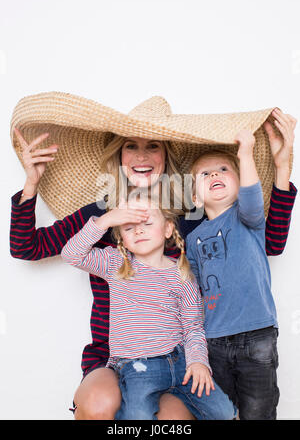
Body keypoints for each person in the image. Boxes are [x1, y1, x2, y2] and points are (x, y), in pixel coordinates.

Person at [10, 108, 297, 420]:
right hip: (115, 355)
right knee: (98, 405)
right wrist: (31, 185)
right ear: (118, 156)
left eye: (152, 146)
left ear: (166, 155)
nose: (141, 156)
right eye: (130, 146)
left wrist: (282, 171)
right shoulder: (103, 214)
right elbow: (27, 247)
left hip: (179, 357)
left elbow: (267, 244)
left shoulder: (192, 216)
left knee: (176, 419)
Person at [60, 191, 236, 420]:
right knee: (138, 417)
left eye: (147, 222)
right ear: (121, 238)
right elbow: (71, 254)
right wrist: (106, 220)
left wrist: (198, 361)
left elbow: (192, 327)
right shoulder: (116, 264)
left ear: (167, 229)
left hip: (180, 360)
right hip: (136, 366)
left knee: (225, 411)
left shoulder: (182, 275)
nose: (138, 230)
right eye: (128, 227)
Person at [185, 125, 297, 420]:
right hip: (215, 339)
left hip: (257, 334)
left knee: (259, 410)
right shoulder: (192, 239)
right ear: (195, 199)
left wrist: (245, 154)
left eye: (224, 169)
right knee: (221, 412)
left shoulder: (248, 218)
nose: (214, 175)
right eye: (205, 174)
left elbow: (251, 193)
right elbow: (195, 289)